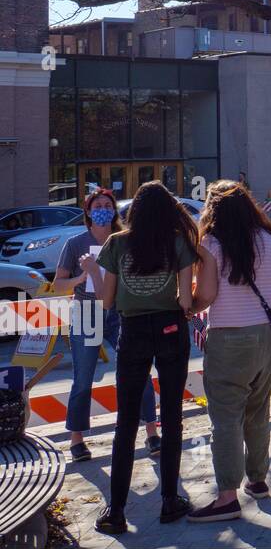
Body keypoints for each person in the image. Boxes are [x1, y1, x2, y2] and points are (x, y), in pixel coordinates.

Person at [86, 181, 201, 533]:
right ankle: (170, 500)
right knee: (171, 416)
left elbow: (106, 301)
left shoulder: (117, 243)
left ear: (132, 210)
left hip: (132, 331)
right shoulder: (177, 242)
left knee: (126, 421)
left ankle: (116, 510)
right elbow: (185, 300)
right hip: (170, 328)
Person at [186, 181, 271, 522]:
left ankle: (226, 498)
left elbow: (205, 295)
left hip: (229, 339)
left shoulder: (211, 243)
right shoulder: (267, 239)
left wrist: (187, 306)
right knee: (257, 410)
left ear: (213, 210)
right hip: (267, 336)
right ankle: (258, 481)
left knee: (225, 419)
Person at [53, 190, 160, 462]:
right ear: (88, 212)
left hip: (119, 310)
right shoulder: (76, 243)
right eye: (97, 205)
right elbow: (58, 284)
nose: (103, 209)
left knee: (139, 371)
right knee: (83, 377)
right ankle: (77, 438)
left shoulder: (124, 240)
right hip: (87, 312)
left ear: (114, 211)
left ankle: (151, 432)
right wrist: (82, 277)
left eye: (107, 205)